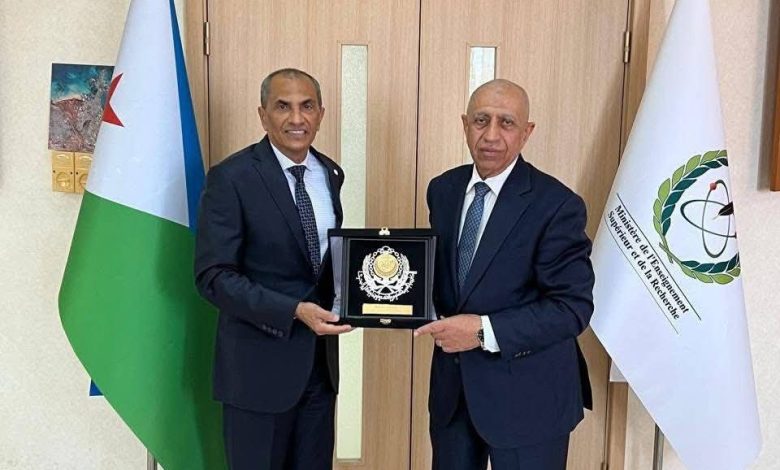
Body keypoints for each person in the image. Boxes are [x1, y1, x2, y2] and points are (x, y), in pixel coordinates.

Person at [415, 79, 594, 470]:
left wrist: (482, 331)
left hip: (530, 398)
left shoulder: (557, 205)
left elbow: (571, 308)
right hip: (453, 396)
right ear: (465, 125)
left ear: (526, 132)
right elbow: (445, 281)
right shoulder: (443, 190)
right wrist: (381, 301)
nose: (491, 135)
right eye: (481, 120)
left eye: (506, 123)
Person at [195, 68, 352, 470]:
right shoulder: (231, 178)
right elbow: (213, 277)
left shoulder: (330, 173)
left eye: (307, 106)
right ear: (263, 115)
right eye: (283, 107)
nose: (297, 119)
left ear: (321, 114)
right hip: (255, 375)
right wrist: (293, 310)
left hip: (319, 373)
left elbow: (323, 265)